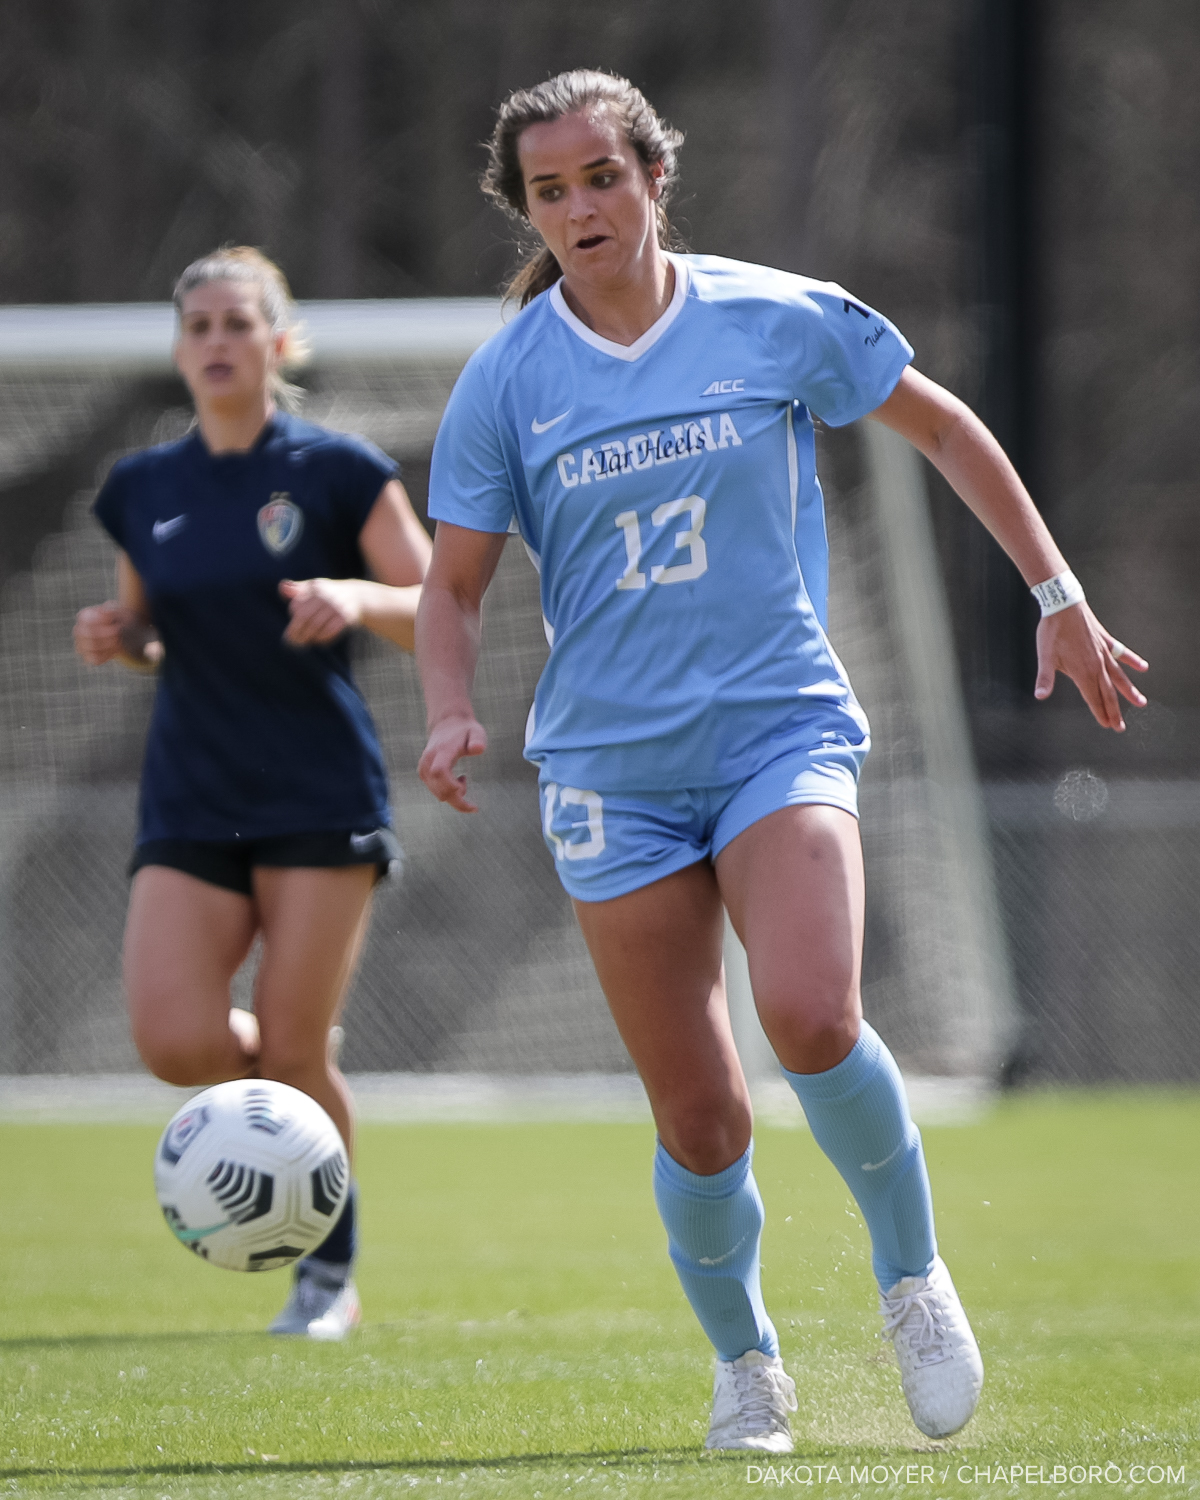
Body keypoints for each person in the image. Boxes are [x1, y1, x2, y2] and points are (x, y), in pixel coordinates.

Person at [415, 71, 1148, 1450]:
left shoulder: (771, 312)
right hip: (610, 775)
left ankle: (913, 1278)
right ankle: (748, 1366)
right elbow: (449, 588)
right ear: (526, 211)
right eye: (551, 190)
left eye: (602, 177)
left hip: (777, 729)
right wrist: (450, 709)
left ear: (653, 179)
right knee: (702, 1122)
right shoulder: (507, 380)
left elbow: (941, 423)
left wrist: (1059, 596)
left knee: (812, 1014)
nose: (582, 207)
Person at [74, 246, 432, 1340]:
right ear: (181, 349)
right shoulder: (141, 489)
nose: (218, 342)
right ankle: (290, 1069)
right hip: (190, 791)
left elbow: (435, 605)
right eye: (200, 327)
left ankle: (328, 1276)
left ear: (280, 343)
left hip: (318, 789)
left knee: (291, 1048)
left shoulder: (339, 470)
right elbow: (151, 633)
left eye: (240, 324)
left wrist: (352, 597)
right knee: (176, 1042)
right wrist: (120, 637)